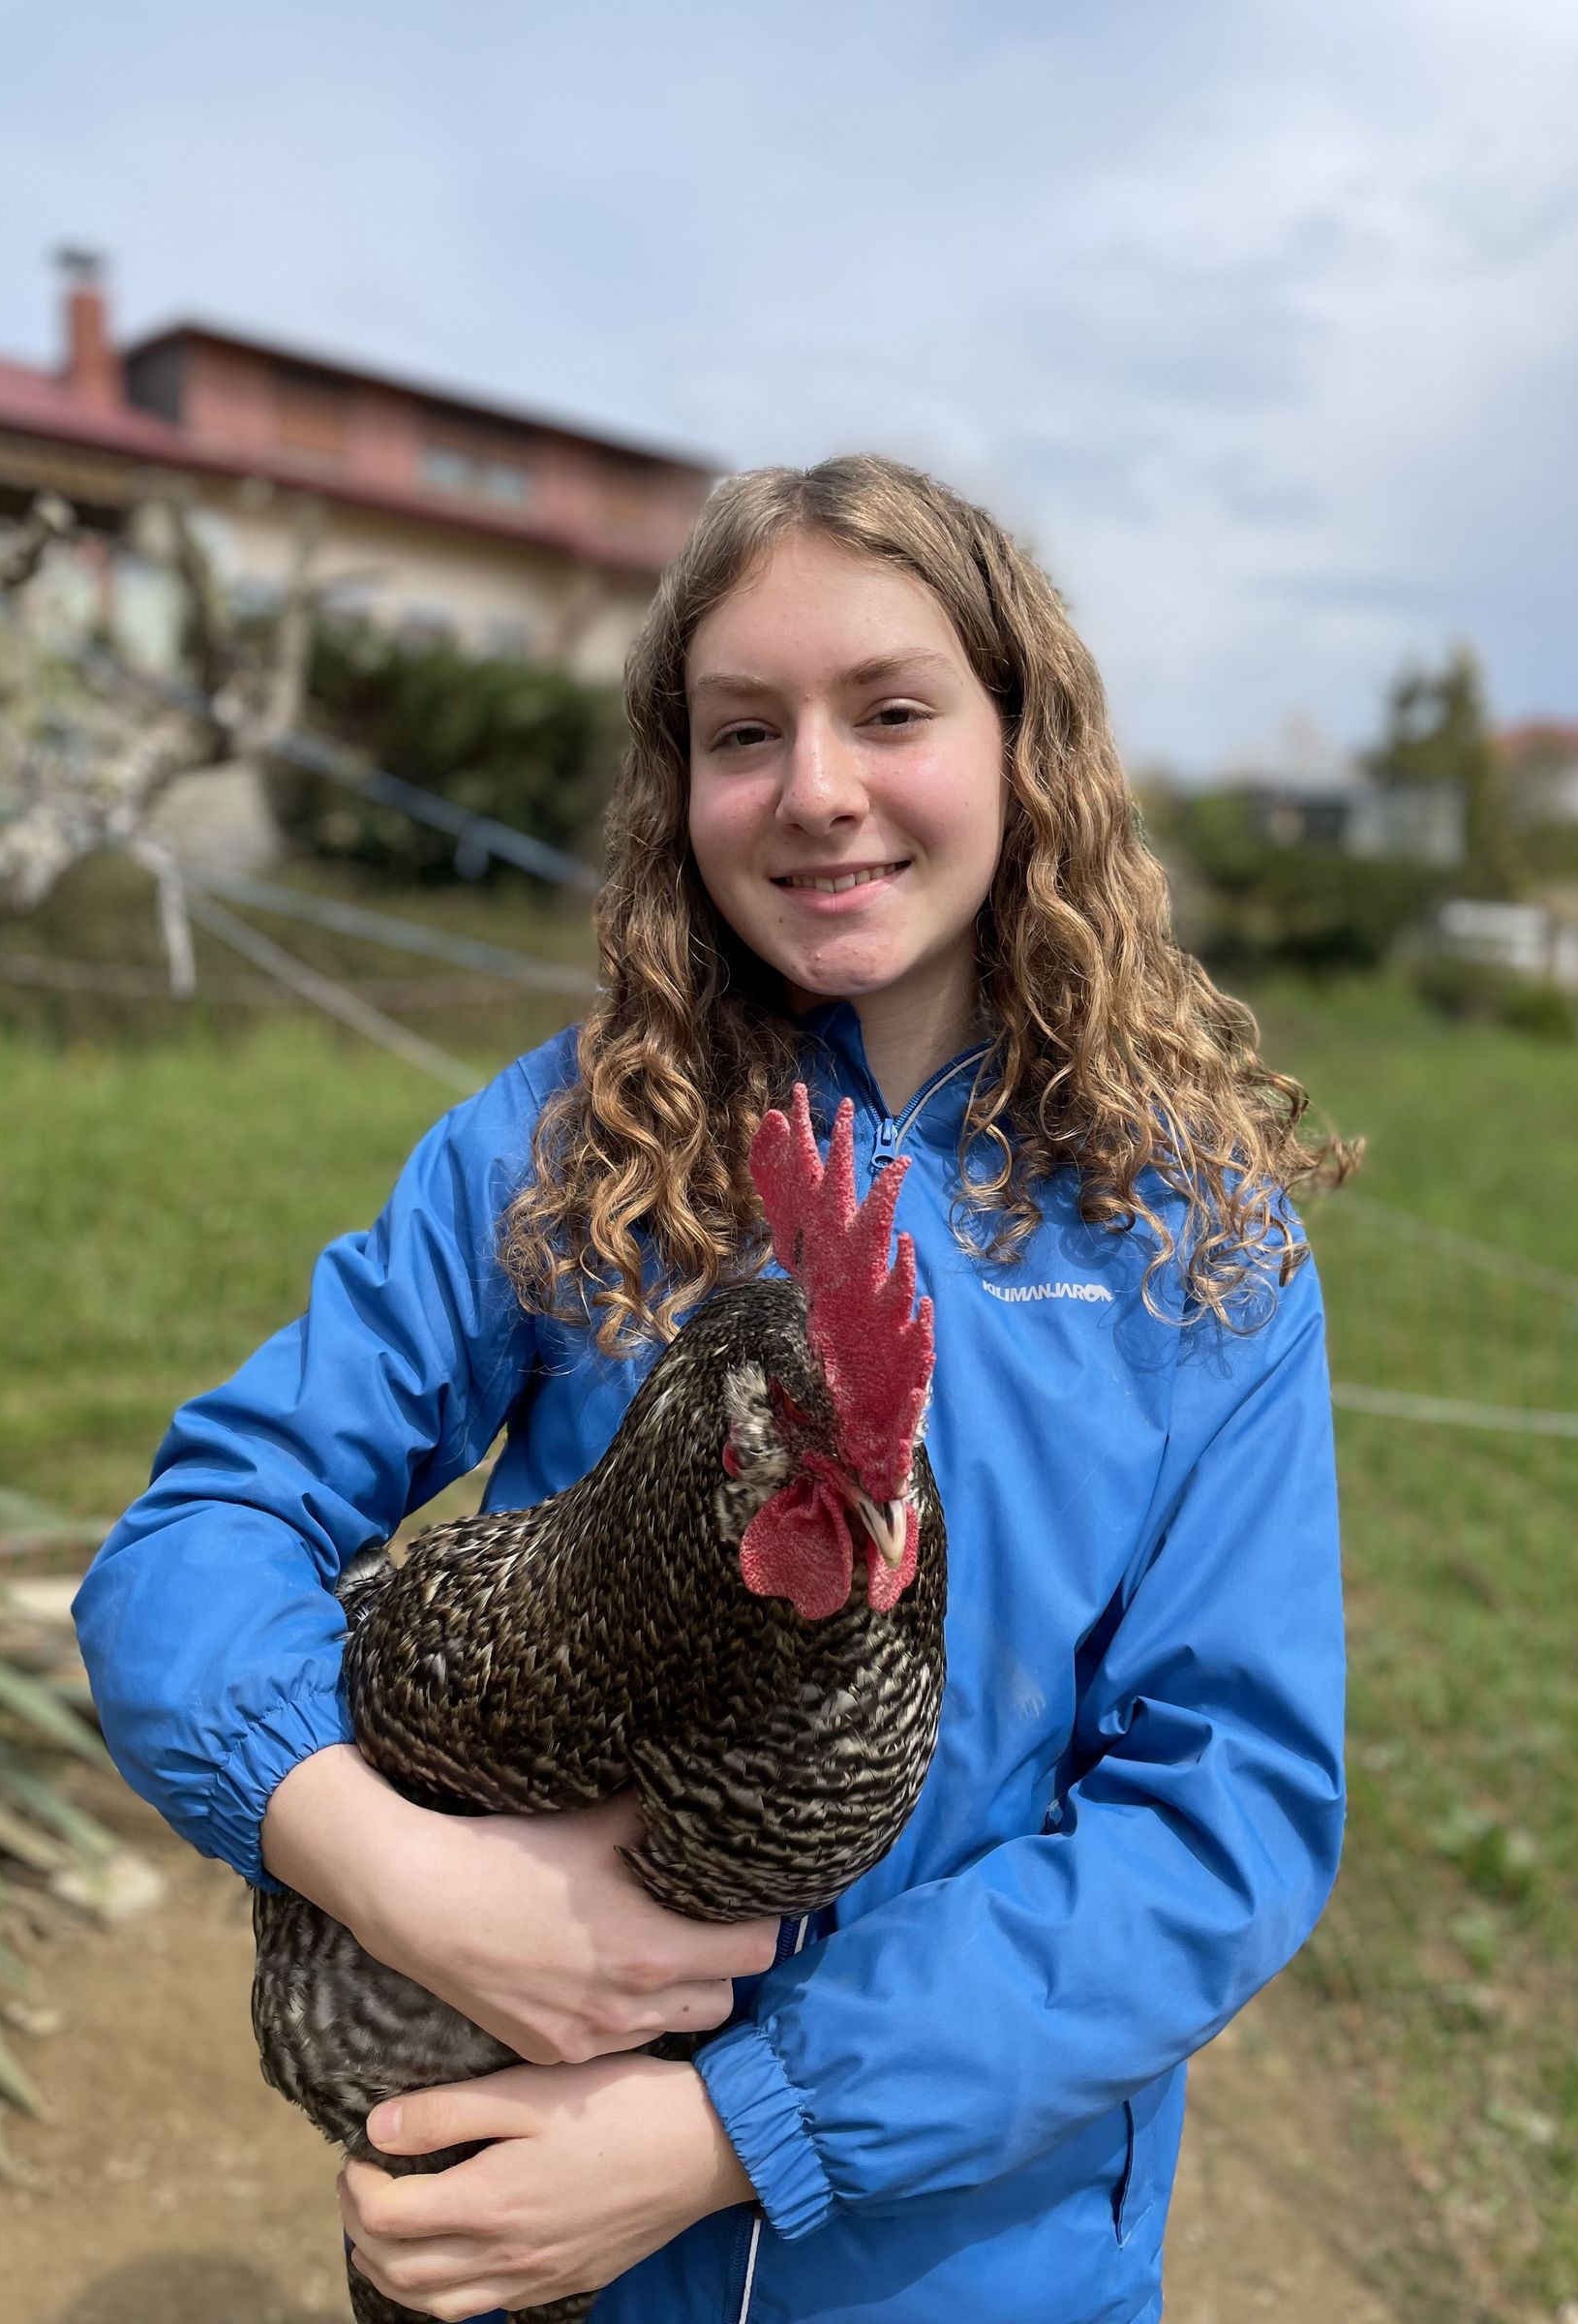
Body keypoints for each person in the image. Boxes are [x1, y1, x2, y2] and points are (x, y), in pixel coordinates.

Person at [74, 454, 1350, 2324]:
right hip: (519, 2195)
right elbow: (196, 1534)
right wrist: (395, 1872)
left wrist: (735, 2126)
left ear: (1026, 742)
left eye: (893, 712)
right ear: (681, 787)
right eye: (744, 731)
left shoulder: (1194, 1247)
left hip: (964, 2257)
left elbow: (1218, 1817)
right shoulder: (564, 1141)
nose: (818, 790)